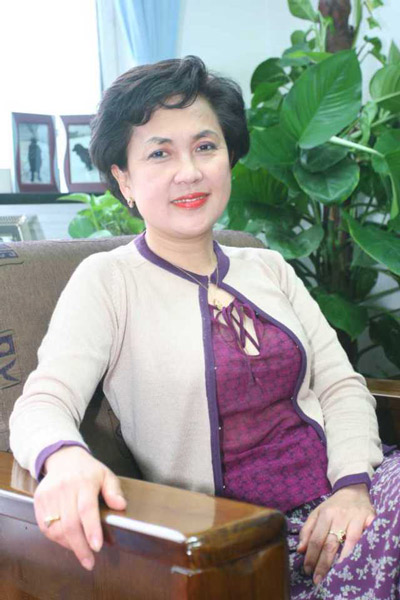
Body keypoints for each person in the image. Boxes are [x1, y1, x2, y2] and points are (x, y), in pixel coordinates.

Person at [9, 56, 399, 598]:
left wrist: (353, 486)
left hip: (353, 495)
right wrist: (66, 459)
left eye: (205, 146)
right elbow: (42, 402)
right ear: (124, 178)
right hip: (243, 538)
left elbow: (340, 385)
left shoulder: (269, 267)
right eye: (159, 153)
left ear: (228, 158)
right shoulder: (109, 280)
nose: (189, 171)